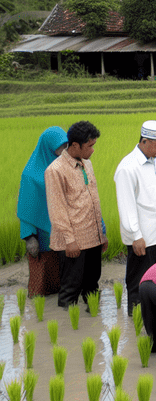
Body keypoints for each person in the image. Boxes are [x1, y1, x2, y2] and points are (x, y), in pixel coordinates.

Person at [115, 120, 156, 316]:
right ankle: (136, 320)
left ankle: (155, 313)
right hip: (143, 239)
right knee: (138, 281)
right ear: (145, 141)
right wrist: (135, 236)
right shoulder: (128, 168)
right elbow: (126, 206)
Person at [46, 120, 107, 308]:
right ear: (74, 145)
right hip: (74, 242)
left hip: (93, 237)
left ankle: (92, 329)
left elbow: (93, 200)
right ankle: (66, 330)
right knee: (70, 287)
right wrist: (69, 240)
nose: (93, 150)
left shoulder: (87, 164)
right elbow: (57, 209)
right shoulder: (55, 170)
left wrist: (101, 234)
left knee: (92, 285)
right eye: (89, 146)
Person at [18, 127, 68, 297]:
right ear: (48, 146)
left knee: (63, 276)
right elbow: (26, 207)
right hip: (41, 234)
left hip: (61, 230)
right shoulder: (30, 175)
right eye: (61, 146)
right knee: (41, 280)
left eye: (66, 145)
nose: (64, 151)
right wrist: (29, 237)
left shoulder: (63, 168)